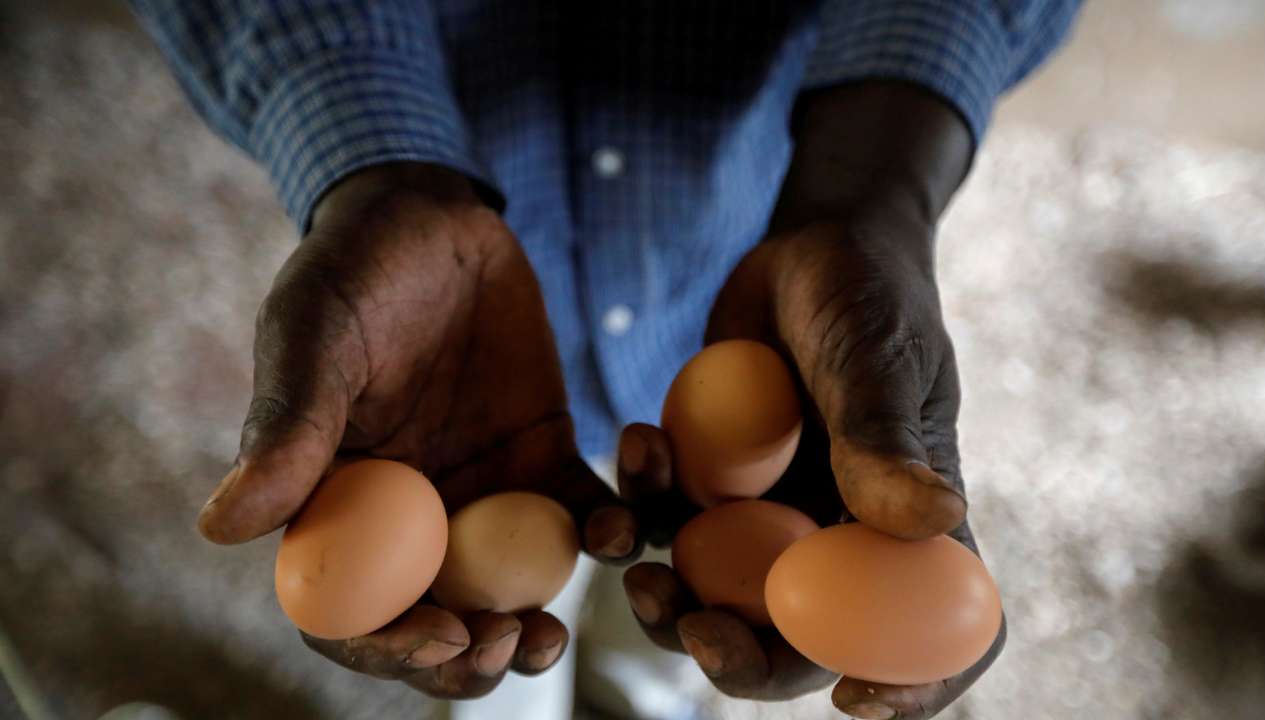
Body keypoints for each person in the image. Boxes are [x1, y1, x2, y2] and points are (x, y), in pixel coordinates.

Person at [129, 2, 1081, 718]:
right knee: (495, 637)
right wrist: (381, 175)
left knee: (687, 602)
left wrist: (864, 198)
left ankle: (643, 688)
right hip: (445, 339)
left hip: (746, 273)